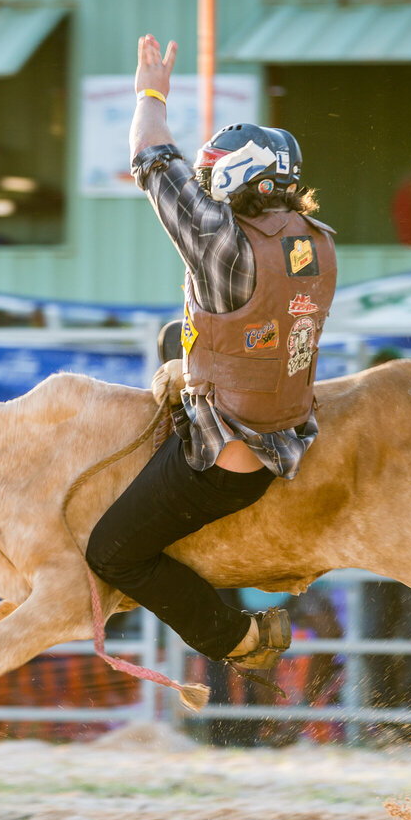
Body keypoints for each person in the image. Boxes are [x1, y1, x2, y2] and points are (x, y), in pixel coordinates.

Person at [83, 34, 336, 674]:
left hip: (225, 456)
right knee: (183, 337)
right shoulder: (318, 243)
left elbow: (149, 154)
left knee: (110, 552)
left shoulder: (220, 241)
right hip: (289, 428)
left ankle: (234, 639)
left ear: (233, 175)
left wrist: (150, 91)